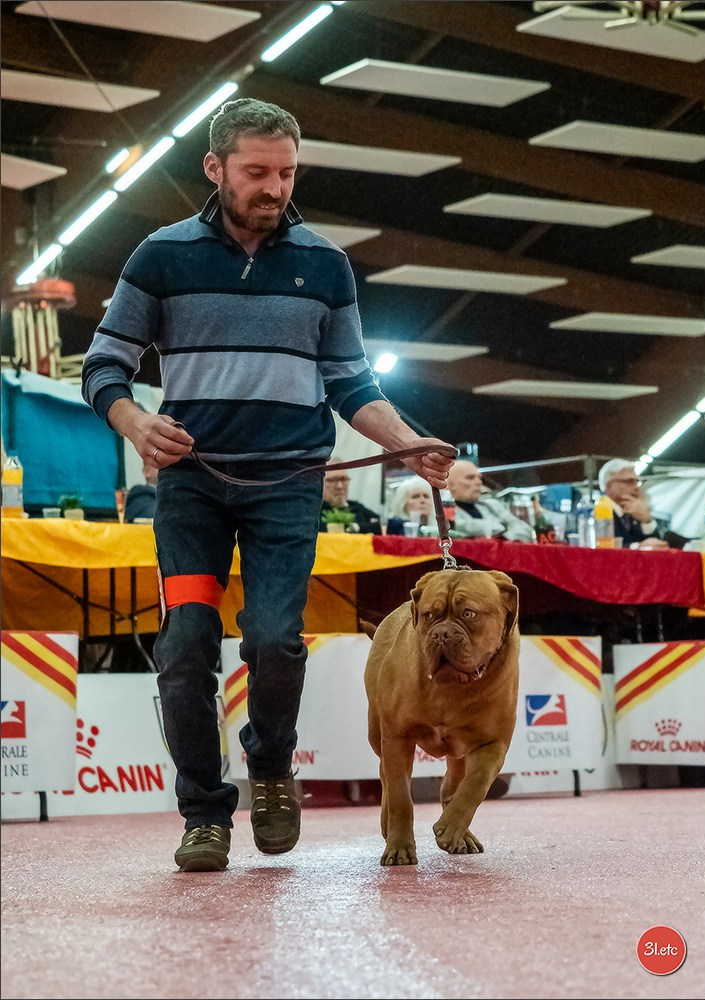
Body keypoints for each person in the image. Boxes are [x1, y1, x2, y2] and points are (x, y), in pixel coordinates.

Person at [81, 97, 454, 873]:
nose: (274, 187)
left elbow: (351, 382)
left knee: (274, 640)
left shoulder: (324, 265)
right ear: (215, 168)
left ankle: (272, 764)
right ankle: (202, 813)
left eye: (286, 172)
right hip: (191, 489)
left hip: (288, 488)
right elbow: (104, 363)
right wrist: (133, 423)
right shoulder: (159, 255)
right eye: (256, 172)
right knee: (186, 644)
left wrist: (407, 440)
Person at [447, 460, 534, 542]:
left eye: (479, 478)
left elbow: (525, 529)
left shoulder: (493, 506)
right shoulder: (442, 511)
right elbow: (441, 530)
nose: (479, 482)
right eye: (470, 478)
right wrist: (497, 528)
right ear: (451, 484)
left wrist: (502, 539)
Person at [598, 459, 669, 549]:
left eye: (637, 482)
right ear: (609, 486)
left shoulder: (635, 509)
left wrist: (646, 520)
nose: (636, 487)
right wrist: (637, 547)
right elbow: (603, 547)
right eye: (629, 481)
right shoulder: (597, 512)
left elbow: (657, 544)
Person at [320, 459, 382, 534]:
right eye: (334, 480)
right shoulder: (315, 512)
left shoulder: (357, 508)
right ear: (322, 483)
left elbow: (377, 525)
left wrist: (356, 527)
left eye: (343, 479)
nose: (340, 486)